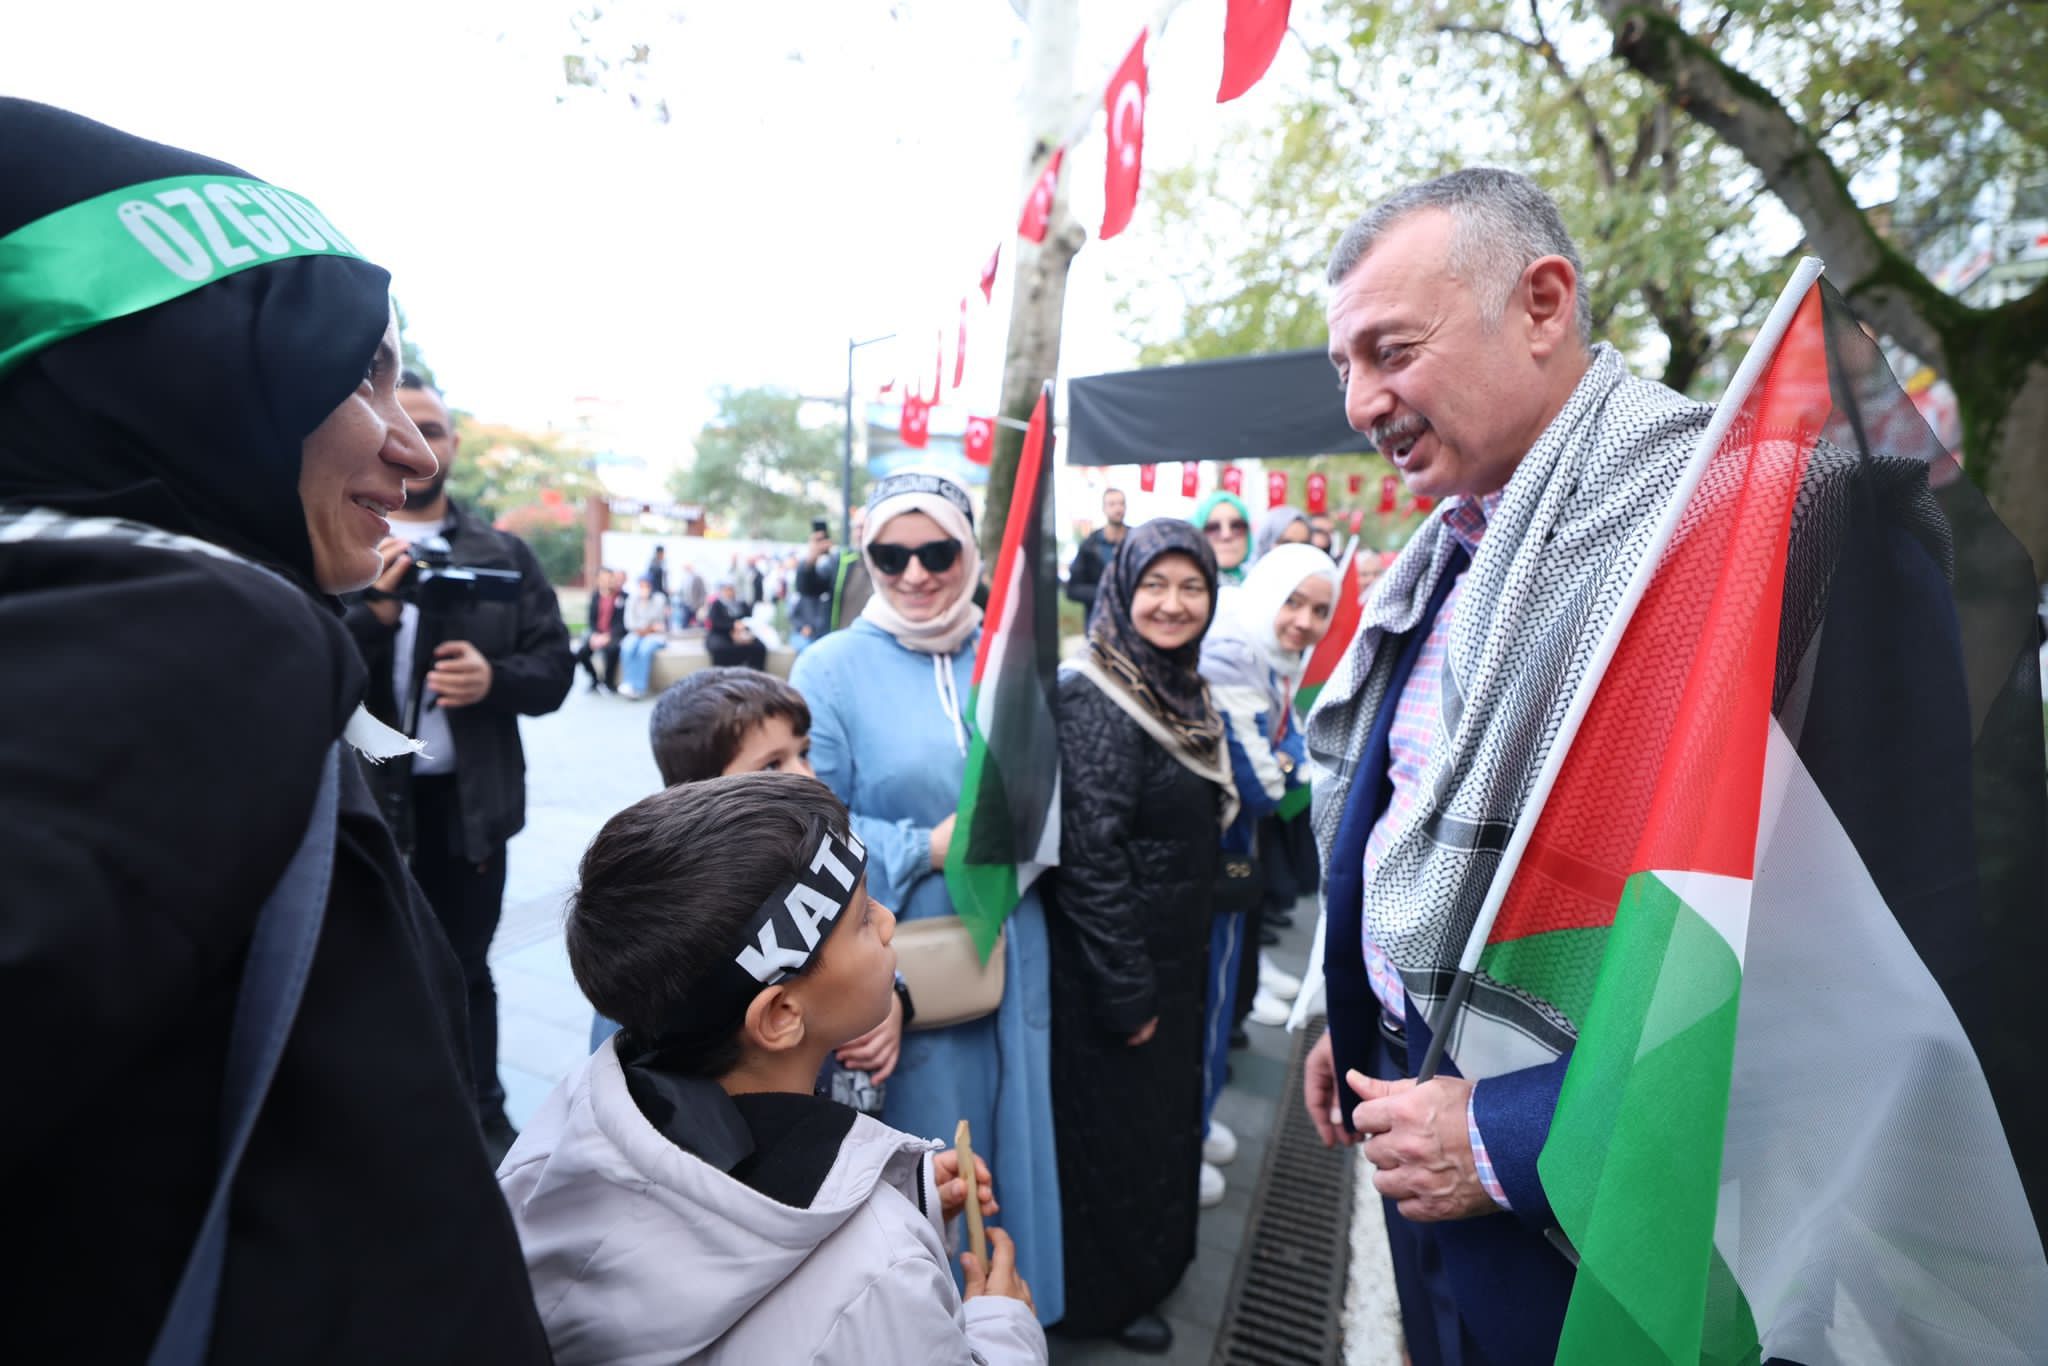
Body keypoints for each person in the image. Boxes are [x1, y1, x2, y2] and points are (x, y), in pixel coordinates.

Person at [0, 99, 551, 1362]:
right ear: (196, 371)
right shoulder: (195, 616)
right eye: (352, 370)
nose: (414, 448)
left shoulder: (94, 597)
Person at [501, 773, 1048, 1366]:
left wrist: (899, 1193)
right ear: (782, 1014)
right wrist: (1002, 1330)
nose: (889, 922)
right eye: (863, 918)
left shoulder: (562, 1132)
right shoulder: (884, 1273)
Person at [791, 469, 1066, 1325]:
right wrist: (923, 842)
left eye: (937, 550)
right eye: (890, 553)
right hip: (897, 941)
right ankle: (928, 1329)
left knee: (1010, 1129)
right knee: (930, 1145)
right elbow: (804, 824)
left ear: (971, 551)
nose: (915, 574)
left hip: (1010, 932)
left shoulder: (1010, 651)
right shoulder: (829, 667)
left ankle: (1010, 1310)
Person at [345, 370, 573, 1161]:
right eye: (398, 421)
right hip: (366, 800)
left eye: (434, 428)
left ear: (451, 445)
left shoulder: (503, 553)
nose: (414, 440)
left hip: (471, 806)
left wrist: (493, 680)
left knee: (468, 967)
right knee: (370, 967)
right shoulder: (339, 539)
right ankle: (381, 1121)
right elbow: (303, 661)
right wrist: (371, 613)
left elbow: (555, 671)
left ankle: (482, 1114)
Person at [1048, 520, 1237, 1354]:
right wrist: (1127, 995)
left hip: (1173, 961)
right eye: (1153, 585)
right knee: (1116, 1142)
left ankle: (1147, 1273)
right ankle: (1103, 1300)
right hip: (1117, 977)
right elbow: (1090, 859)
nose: (1171, 603)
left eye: (1190, 586)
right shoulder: (1097, 692)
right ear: (1121, 589)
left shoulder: (1181, 687)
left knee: (1160, 1130)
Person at [583, 665, 915, 1097]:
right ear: (701, 792)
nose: (803, 774)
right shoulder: (664, 927)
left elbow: (857, 936)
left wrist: (895, 999)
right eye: (773, 764)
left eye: (804, 753)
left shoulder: (815, 857)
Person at [1196, 543, 1339, 1207]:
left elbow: (1285, 749)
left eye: (1320, 609)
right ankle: (1189, 1131)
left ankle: (1197, 1122)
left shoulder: (1270, 657)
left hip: (1227, 859)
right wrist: (1290, 766)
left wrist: (1287, 763)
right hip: (1206, 860)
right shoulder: (1233, 653)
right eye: (1293, 602)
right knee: (1206, 1002)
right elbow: (1261, 781)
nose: (1305, 621)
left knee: (1225, 992)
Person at [1063, 486, 1128, 608]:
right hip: (1098, 618)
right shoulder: (1090, 545)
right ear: (1104, 509)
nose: (1118, 508)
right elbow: (1073, 589)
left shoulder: (1136, 540)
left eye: (1121, 503)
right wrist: (1105, 594)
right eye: (1112, 504)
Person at [616, 573, 670, 699]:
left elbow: (659, 621)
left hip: (654, 636)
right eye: (641, 586)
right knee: (628, 647)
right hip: (636, 633)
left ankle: (639, 688)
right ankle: (628, 683)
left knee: (644, 649)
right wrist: (646, 628)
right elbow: (629, 623)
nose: (644, 588)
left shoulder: (659, 599)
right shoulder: (632, 599)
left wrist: (647, 628)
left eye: (646, 586)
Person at [575, 567, 628, 693]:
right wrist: (594, 635)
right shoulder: (595, 596)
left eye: (609, 578)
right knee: (582, 652)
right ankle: (594, 680)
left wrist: (608, 636)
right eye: (603, 578)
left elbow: (622, 622)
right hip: (597, 634)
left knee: (612, 649)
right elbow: (591, 619)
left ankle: (609, 682)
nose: (606, 581)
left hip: (614, 635)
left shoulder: (622, 597)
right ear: (598, 580)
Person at [1192, 489, 1253, 585]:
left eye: (1237, 526)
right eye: (1213, 528)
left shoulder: (1264, 585)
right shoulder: (1185, 588)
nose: (1226, 535)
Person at [790, 521, 836, 649]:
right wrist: (812, 557)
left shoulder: (836, 562)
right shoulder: (819, 565)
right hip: (811, 633)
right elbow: (805, 588)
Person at [706, 577, 768, 669]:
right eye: (726, 589)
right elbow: (715, 623)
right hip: (722, 634)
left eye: (731, 589)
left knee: (759, 647)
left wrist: (742, 627)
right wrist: (732, 626)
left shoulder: (741, 603)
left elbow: (749, 618)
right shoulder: (717, 604)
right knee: (720, 650)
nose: (729, 592)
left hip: (741, 633)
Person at [674, 558, 707, 629]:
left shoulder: (698, 578)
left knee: (700, 624)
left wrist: (701, 605)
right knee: (684, 624)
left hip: (696, 605)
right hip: (686, 605)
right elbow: (682, 592)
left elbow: (703, 592)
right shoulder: (683, 578)